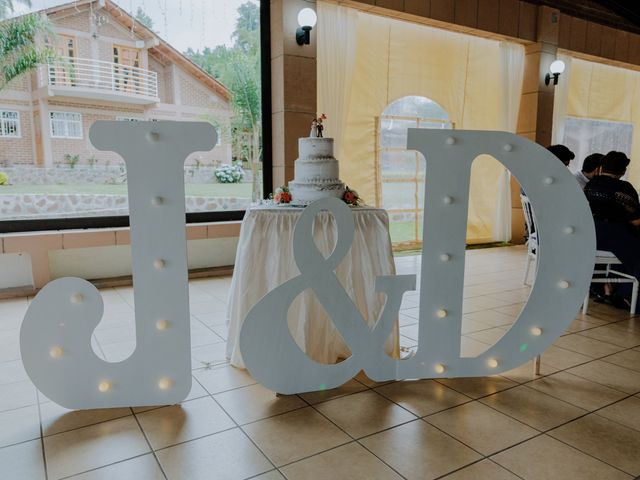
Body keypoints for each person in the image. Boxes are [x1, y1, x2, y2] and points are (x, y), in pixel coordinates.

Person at [584, 151, 640, 311]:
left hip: (591, 235)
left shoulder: (591, 185)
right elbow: (636, 220)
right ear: (623, 171)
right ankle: (626, 295)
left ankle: (609, 290)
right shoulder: (624, 188)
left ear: (601, 167)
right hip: (614, 236)